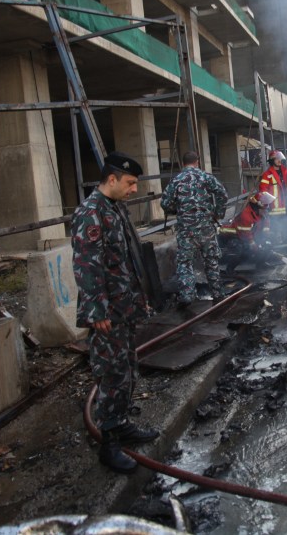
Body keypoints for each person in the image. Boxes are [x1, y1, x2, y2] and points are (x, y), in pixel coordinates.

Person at [71, 151, 158, 474]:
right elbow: (86, 266)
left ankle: (120, 424)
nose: (134, 189)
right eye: (130, 183)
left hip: (124, 305)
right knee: (110, 374)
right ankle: (109, 443)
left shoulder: (115, 209)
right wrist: (97, 310)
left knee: (126, 367)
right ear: (111, 179)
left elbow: (126, 258)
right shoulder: (90, 213)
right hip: (107, 312)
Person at [161, 150, 229, 308]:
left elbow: (165, 203)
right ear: (197, 162)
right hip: (206, 228)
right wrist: (217, 214)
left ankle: (187, 296)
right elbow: (222, 194)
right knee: (211, 261)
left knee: (185, 263)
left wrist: (176, 210)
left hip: (186, 230)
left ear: (183, 163)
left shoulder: (176, 180)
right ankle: (218, 294)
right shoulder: (205, 177)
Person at [218, 192, 275, 272]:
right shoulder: (246, 215)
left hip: (249, 234)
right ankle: (229, 269)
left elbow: (266, 224)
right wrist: (254, 245)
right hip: (235, 235)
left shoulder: (262, 212)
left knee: (267, 244)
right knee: (241, 249)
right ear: (257, 207)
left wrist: (266, 236)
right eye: (264, 209)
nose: (266, 211)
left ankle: (261, 264)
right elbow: (245, 234)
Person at [258, 150, 287, 243]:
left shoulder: (285, 172)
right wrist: (265, 203)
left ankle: (286, 238)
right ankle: (277, 240)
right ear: (272, 161)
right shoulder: (267, 175)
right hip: (275, 206)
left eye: (280, 159)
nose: (280, 161)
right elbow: (263, 190)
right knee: (276, 224)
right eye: (277, 159)